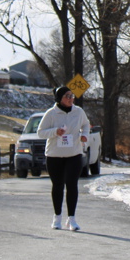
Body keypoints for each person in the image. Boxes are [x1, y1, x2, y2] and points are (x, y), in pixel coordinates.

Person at [37, 86, 91, 231]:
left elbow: (86, 124)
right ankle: (57, 217)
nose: (70, 98)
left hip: (74, 154)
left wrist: (85, 135)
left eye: (71, 95)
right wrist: (55, 132)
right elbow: (40, 132)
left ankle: (71, 219)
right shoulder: (51, 113)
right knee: (58, 185)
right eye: (67, 96)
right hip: (54, 155)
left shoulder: (78, 111)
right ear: (59, 99)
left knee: (72, 185)